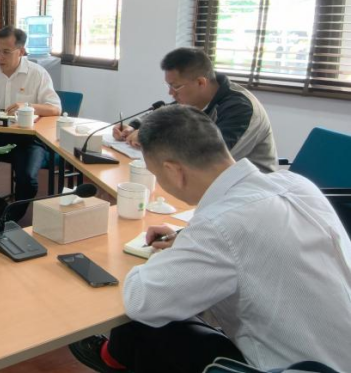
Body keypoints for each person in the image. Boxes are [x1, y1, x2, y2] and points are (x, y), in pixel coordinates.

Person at [69, 105, 351, 373]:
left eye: (156, 174)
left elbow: (141, 300)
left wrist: (170, 253)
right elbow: (250, 241)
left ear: (174, 171)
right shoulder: (297, 184)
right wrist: (188, 239)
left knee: (150, 323)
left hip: (293, 367)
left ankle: (113, 358)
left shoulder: (220, 225)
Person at [113, 47, 277, 173]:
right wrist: (134, 127)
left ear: (201, 83)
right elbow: (165, 114)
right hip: (213, 181)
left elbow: (210, 156)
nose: (171, 93)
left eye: (176, 86)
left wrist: (151, 137)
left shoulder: (241, 108)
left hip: (251, 189)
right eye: (169, 85)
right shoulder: (196, 98)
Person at [0, 26, 62, 221]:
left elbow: (55, 108)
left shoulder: (37, 73)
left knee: (27, 179)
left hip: (28, 140)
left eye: (6, 52)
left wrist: (28, 106)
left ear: (21, 51)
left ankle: (9, 219)